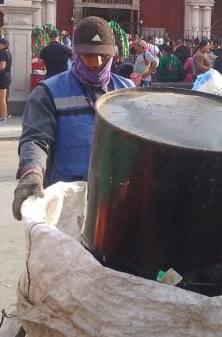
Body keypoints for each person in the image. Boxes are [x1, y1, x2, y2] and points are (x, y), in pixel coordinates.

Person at [11, 17, 134, 220]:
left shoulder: (129, 91)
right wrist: (31, 173)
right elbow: (36, 139)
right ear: (75, 54)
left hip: (118, 200)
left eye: (104, 55)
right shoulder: (47, 93)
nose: (97, 63)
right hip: (67, 204)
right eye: (88, 56)